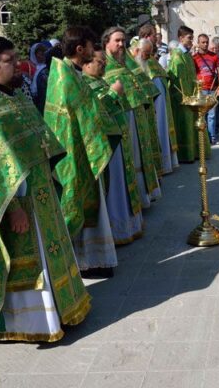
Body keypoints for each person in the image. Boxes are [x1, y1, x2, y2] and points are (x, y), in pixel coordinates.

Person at [0, 36, 90, 341]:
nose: (18, 64)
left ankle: (63, 308)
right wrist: (14, 210)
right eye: (9, 60)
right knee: (30, 261)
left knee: (50, 254)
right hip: (17, 202)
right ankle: (35, 324)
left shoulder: (14, 95)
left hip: (41, 191)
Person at [44, 26, 122, 278]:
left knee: (92, 205)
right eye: (90, 46)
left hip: (84, 148)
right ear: (80, 49)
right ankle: (86, 262)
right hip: (76, 153)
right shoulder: (66, 77)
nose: (94, 50)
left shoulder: (70, 73)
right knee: (79, 204)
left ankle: (95, 260)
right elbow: (86, 115)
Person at [82, 47, 145, 245]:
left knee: (121, 183)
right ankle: (116, 230)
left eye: (104, 62)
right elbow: (94, 114)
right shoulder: (84, 84)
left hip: (118, 142)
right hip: (105, 146)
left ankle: (126, 226)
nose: (104, 65)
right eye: (100, 62)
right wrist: (113, 93)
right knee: (114, 186)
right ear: (86, 63)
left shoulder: (100, 81)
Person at [103, 27, 161, 208]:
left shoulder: (125, 63)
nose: (122, 44)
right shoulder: (102, 65)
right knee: (130, 161)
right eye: (117, 40)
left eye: (123, 40)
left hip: (136, 116)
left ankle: (142, 198)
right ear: (106, 43)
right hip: (122, 119)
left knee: (139, 157)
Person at [135, 37, 178, 174]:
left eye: (150, 53)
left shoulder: (149, 62)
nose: (149, 57)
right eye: (146, 54)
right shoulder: (134, 63)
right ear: (137, 50)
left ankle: (163, 164)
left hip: (157, 105)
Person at [167, 26, 209, 162]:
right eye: (189, 38)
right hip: (183, 99)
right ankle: (186, 155)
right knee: (185, 125)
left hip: (192, 96)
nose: (192, 41)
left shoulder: (187, 55)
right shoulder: (177, 56)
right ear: (181, 38)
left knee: (193, 124)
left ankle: (195, 153)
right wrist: (184, 97)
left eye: (192, 38)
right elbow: (176, 79)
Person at [193, 34, 219, 144]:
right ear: (198, 43)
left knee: (212, 115)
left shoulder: (214, 56)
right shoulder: (194, 58)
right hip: (201, 90)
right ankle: (203, 138)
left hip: (212, 89)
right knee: (202, 115)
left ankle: (212, 138)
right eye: (203, 42)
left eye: (207, 42)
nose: (205, 44)